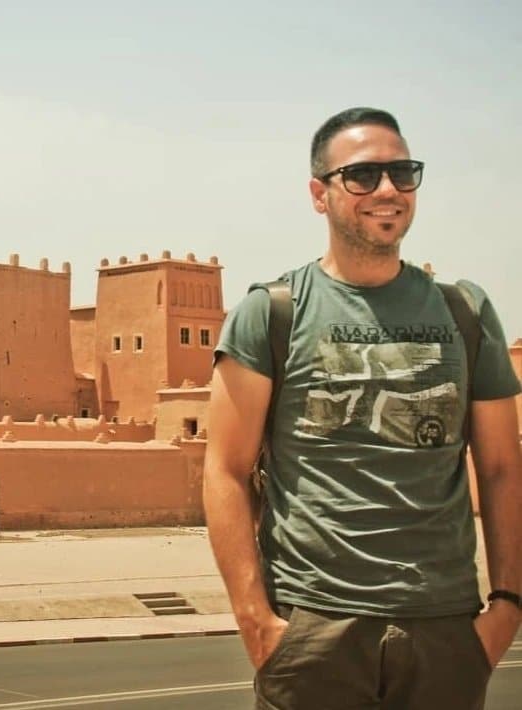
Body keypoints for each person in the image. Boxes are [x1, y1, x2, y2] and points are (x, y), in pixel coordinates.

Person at [203, 107, 521, 709]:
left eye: (402, 173)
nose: (387, 190)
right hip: (313, 627)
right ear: (319, 194)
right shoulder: (271, 313)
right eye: (363, 175)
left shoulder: (465, 313)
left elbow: (503, 468)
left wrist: (506, 606)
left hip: (445, 627)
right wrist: (257, 622)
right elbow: (224, 469)